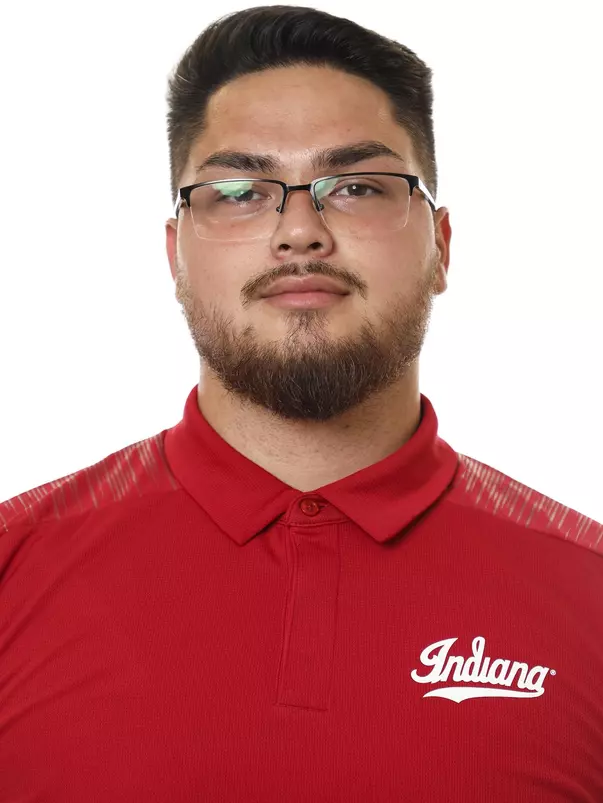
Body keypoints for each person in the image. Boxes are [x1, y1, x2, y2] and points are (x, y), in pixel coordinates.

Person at [1, 6, 601, 801]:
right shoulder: (15, 566)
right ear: (175, 253)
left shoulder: (587, 594)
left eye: (354, 185)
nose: (298, 230)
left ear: (441, 245)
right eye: (241, 191)